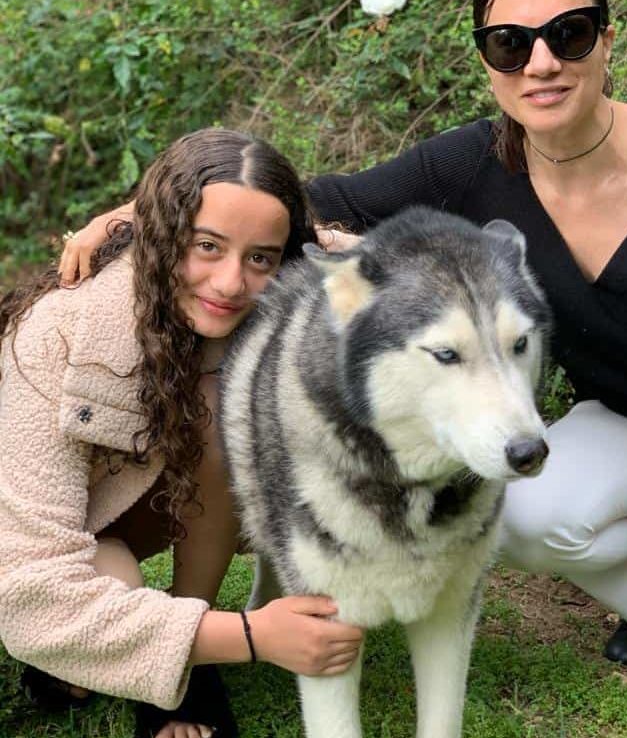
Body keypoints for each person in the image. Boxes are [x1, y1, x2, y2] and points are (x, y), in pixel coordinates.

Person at [57, 0, 627, 738]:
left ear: (608, 39)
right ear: (487, 61)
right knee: (519, 510)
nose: (541, 63)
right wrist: (136, 214)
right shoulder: (478, 161)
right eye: (511, 43)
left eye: (568, 33)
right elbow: (303, 198)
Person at [0, 128, 364, 738]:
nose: (229, 284)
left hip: (113, 512)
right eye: (205, 246)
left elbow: (393, 260)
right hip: (26, 533)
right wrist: (252, 636)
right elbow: (26, 591)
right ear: (162, 234)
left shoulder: (276, 266)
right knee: (69, 623)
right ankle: (161, 653)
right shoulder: (58, 333)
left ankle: (182, 659)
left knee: (227, 404)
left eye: (260, 259)